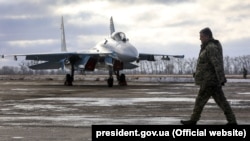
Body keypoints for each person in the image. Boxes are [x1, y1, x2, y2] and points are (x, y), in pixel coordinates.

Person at [180, 27, 237, 125]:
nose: (200, 38)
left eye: (201, 36)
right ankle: (232, 121)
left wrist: (221, 78)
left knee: (200, 101)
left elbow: (217, 63)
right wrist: (198, 74)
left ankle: (193, 120)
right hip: (210, 80)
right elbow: (206, 64)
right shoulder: (207, 47)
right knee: (222, 102)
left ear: (207, 36)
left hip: (210, 81)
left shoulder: (211, 47)